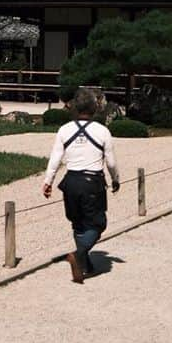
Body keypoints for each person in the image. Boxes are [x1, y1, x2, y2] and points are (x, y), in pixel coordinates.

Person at [41, 87, 121, 284]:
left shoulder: (64, 130)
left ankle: (85, 266)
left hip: (70, 182)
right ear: (95, 108)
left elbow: (55, 158)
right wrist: (115, 179)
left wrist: (48, 181)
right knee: (97, 224)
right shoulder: (102, 131)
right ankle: (78, 255)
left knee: (78, 223)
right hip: (92, 183)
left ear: (75, 108)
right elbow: (110, 162)